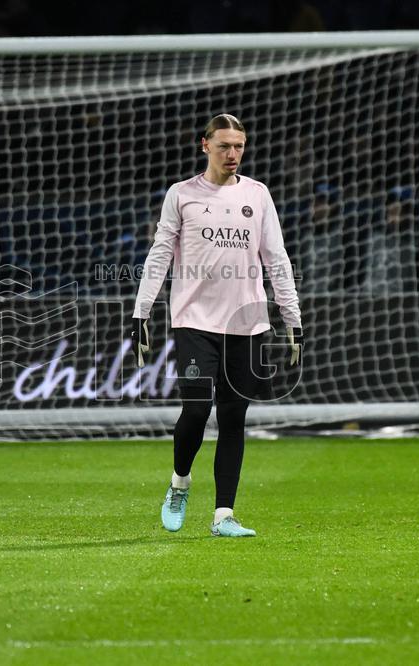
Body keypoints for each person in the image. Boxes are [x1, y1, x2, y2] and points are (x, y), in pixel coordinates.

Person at [131, 114, 302, 537]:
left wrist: (292, 316)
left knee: (233, 417)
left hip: (247, 322)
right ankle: (179, 483)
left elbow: (276, 259)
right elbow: (159, 255)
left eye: (239, 146)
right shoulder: (182, 194)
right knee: (195, 409)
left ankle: (223, 514)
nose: (232, 154)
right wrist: (141, 312)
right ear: (204, 145)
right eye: (224, 145)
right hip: (194, 321)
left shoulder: (258, 195)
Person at [365, 185, 418, 294]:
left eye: (397, 212)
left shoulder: (417, 243)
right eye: (390, 213)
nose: (392, 219)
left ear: (409, 214)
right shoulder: (375, 239)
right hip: (370, 298)